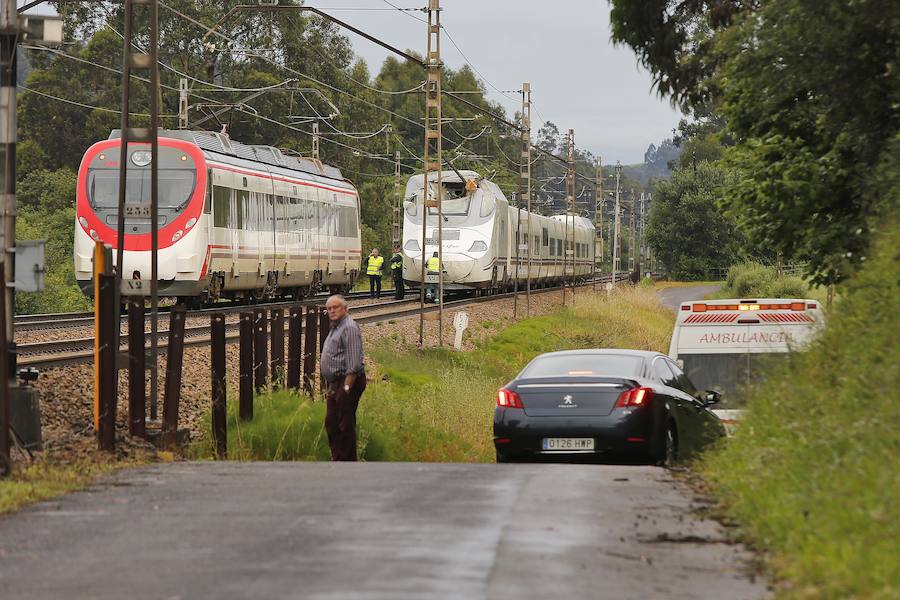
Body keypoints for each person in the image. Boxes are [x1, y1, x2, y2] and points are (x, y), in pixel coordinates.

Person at [320, 295, 367, 461]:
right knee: (332, 422)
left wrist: (346, 388)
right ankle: (338, 458)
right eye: (329, 308)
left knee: (344, 423)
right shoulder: (336, 326)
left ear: (345, 309)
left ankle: (347, 462)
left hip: (348, 381)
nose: (332, 311)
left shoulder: (349, 327)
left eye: (336, 307)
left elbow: (354, 362)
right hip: (337, 383)